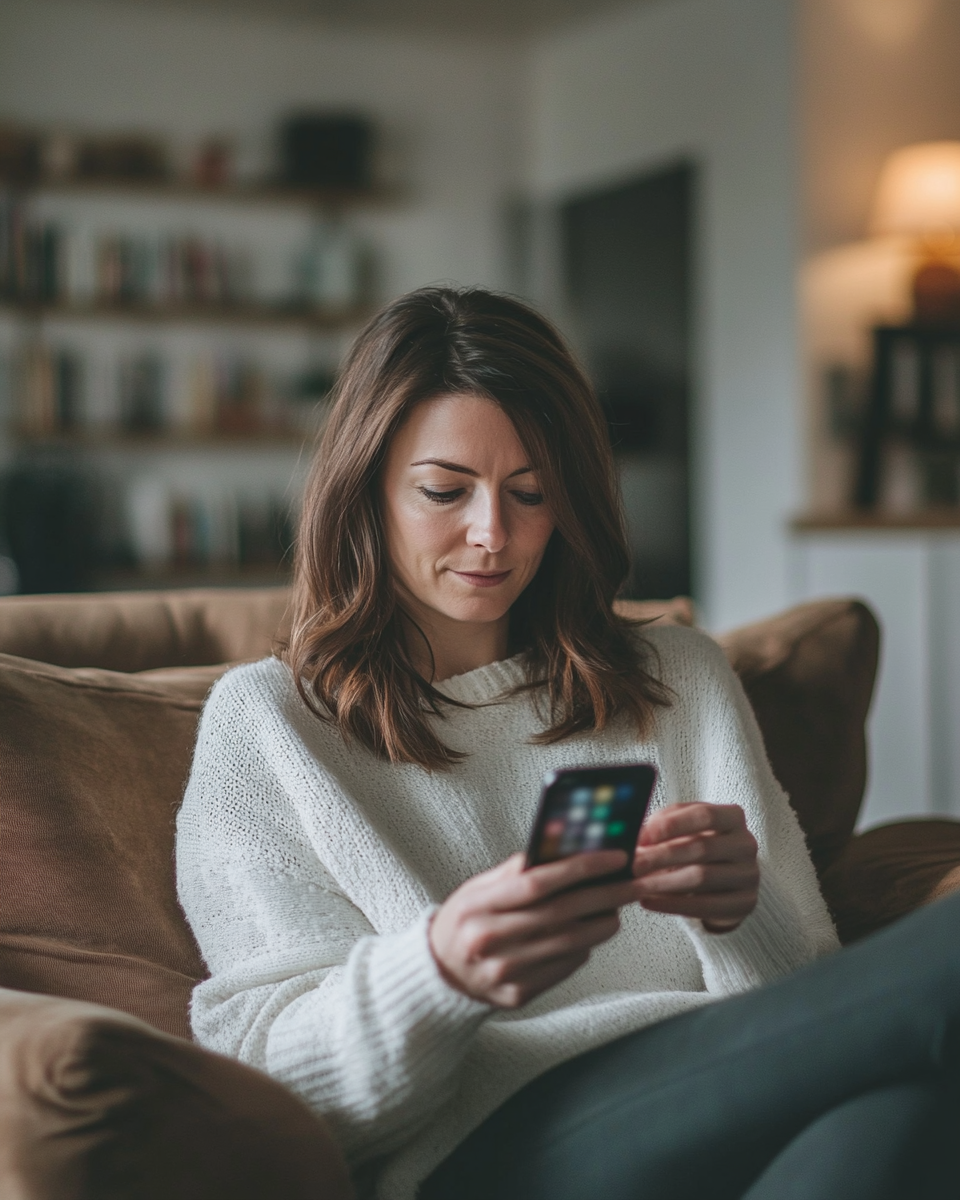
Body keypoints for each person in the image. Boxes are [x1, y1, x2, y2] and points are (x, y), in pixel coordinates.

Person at [176, 286, 960, 1200]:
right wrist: (439, 970)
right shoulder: (267, 727)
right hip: (490, 1152)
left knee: (902, 1116)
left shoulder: (679, 676)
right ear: (366, 491)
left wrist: (741, 914)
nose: (492, 535)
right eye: (444, 491)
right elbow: (280, 1097)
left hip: (726, 1099)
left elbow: (805, 1008)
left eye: (531, 493)